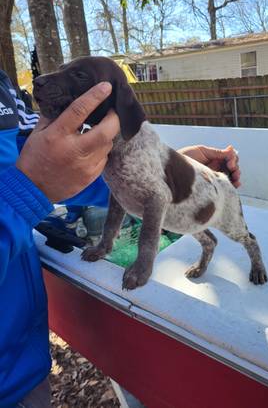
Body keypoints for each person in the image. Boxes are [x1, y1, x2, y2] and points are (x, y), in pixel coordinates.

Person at [0, 68, 240, 408]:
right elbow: (26, 180)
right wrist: (27, 191)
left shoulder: (2, 87)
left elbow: (48, 168)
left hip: (22, 366)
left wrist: (174, 169)